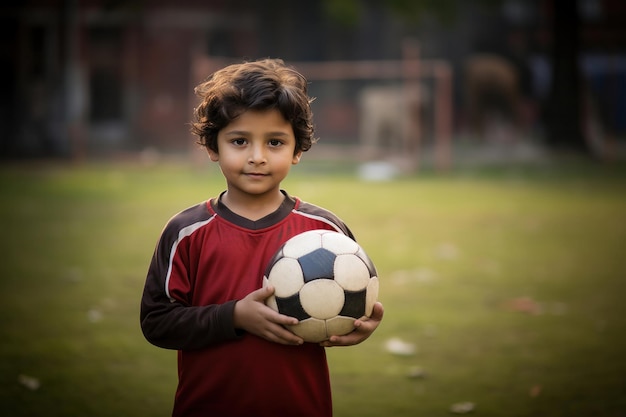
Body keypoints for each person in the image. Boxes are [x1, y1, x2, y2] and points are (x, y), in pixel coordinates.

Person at [140, 58, 384, 417]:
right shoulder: (186, 232)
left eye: (274, 142)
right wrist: (235, 316)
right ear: (212, 147)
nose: (257, 157)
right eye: (239, 141)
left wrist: (359, 323)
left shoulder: (326, 232)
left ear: (297, 150)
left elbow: (352, 299)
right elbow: (156, 322)